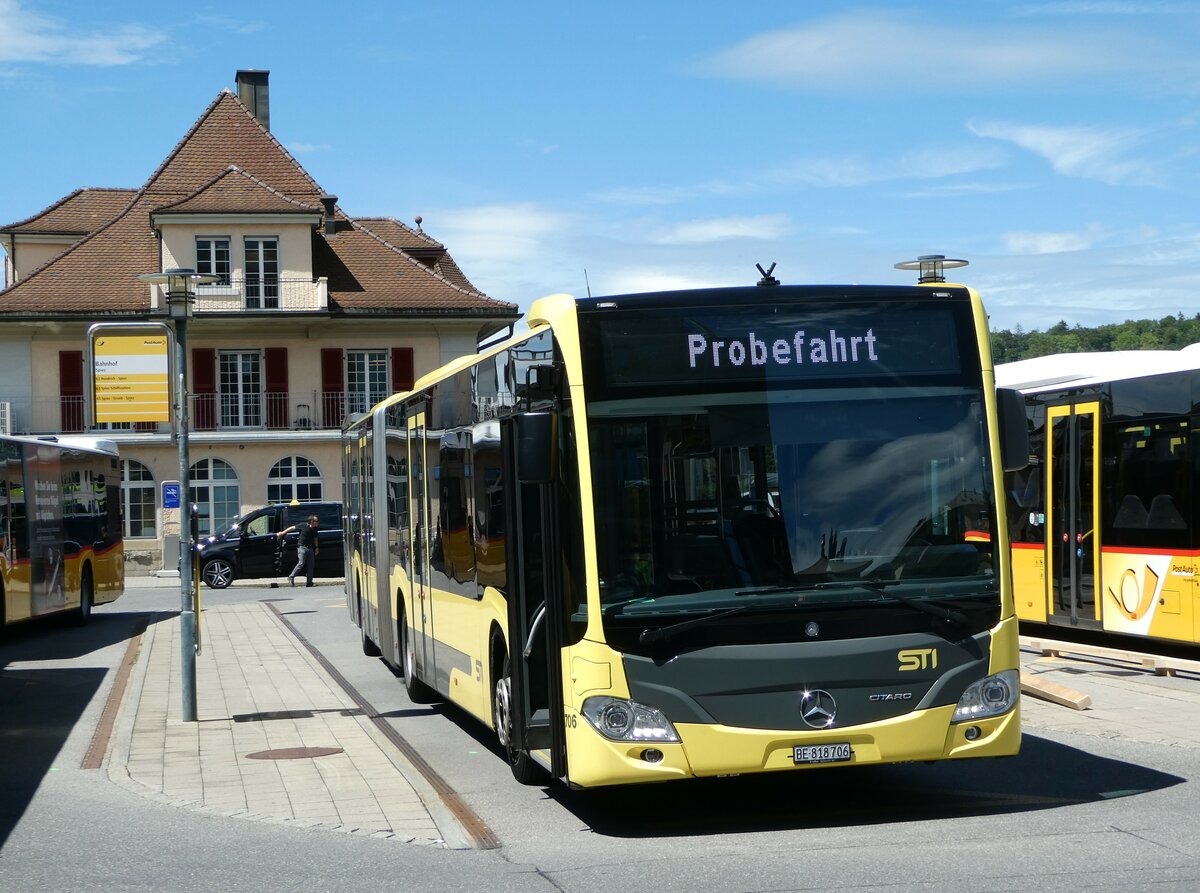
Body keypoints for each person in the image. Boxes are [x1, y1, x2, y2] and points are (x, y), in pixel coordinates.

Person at [277, 514, 320, 587]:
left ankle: (309, 582)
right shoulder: (303, 525)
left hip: (310, 548)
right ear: (311, 521)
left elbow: (315, 538)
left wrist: (317, 547)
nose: (318, 522)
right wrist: (283, 533)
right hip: (302, 548)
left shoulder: (315, 529)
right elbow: (292, 528)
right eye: (316, 521)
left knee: (311, 565)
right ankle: (291, 577)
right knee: (301, 563)